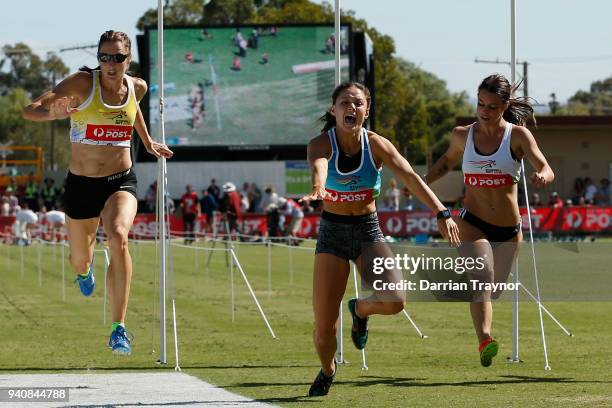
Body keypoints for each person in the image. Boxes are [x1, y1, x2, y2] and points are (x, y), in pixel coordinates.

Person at [302, 82, 460, 397]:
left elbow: (411, 178)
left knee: (395, 300)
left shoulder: (376, 145)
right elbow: (319, 168)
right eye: (344, 103)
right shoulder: (320, 144)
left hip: (367, 229)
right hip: (332, 231)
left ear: (367, 110)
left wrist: (441, 211)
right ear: (334, 111)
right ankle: (328, 369)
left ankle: (360, 310)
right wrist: (319, 188)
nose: (351, 108)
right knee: (323, 330)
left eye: (358, 103)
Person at [22, 30, 173, 355]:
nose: (110, 63)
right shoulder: (80, 84)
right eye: (104, 57)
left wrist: (147, 143)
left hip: (121, 180)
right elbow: (29, 109)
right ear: (98, 59)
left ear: (127, 59)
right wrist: (53, 113)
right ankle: (84, 271)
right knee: (80, 259)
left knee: (119, 235)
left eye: (118, 57)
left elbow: (132, 113)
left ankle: (119, 328)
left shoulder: (138, 87)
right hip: (81, 185)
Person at [425, 74, 554, 368]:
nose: (484, 111)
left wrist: (542, 175)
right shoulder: (462, 135)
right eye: (480, 104)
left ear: (505, 105)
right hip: (471, 221)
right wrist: (421, 182)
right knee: (482, 278)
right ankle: (485, 338)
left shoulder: (518, 136)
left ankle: (478, 313)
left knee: (493, 290)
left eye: (492, 107)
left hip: (509, 230)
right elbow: (446, 162)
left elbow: (545, 166)